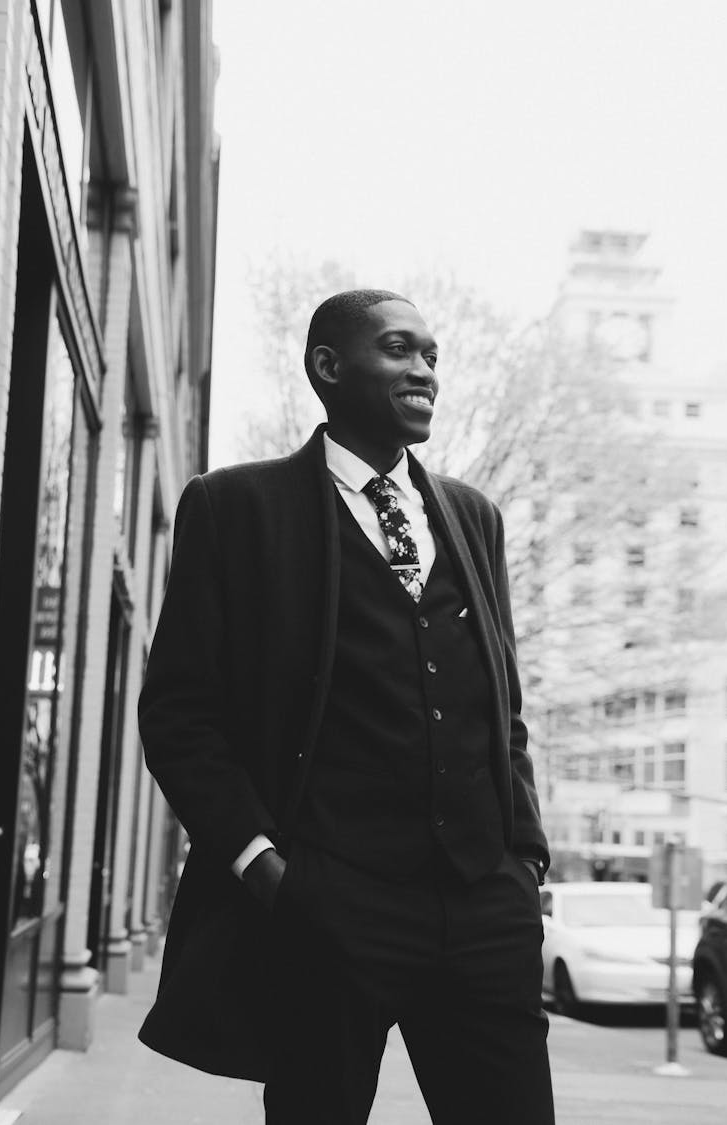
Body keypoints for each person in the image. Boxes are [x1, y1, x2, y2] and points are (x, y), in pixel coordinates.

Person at [138, 289, 555, 1124]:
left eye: (432, 356)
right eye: (400, 349)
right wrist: (263, 865)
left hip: (481, 908)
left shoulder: (475, 517)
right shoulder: (234, 508)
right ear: (329, 367)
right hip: (325, 910)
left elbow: (499, 703)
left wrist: (524, 856)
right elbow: (180, 713)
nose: (425, 370)